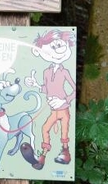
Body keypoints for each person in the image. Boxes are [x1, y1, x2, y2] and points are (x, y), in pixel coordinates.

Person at [21, 29, 76, 169]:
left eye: (60, 45)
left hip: (63, 109)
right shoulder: (46, 71)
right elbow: (46, 88)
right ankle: (43, 156)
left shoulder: (64, 71)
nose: (58, 50)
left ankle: (65, 151)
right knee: (45, 129)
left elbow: (74, 90)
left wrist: (65, 100)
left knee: (64, 132)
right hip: (53, 109)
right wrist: (36, 85)